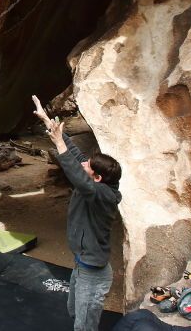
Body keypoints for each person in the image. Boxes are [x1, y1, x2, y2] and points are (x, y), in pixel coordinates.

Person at [32, 95, 122, 331]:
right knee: (73, 311)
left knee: (84, 326)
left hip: (94, 274)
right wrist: (49, 123)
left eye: (88, 167)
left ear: (98, 178)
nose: (84, 164)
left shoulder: (103, 195)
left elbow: (79, 178)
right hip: (82, 265)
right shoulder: (95, 180)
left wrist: (59, 146)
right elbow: (76, 156)